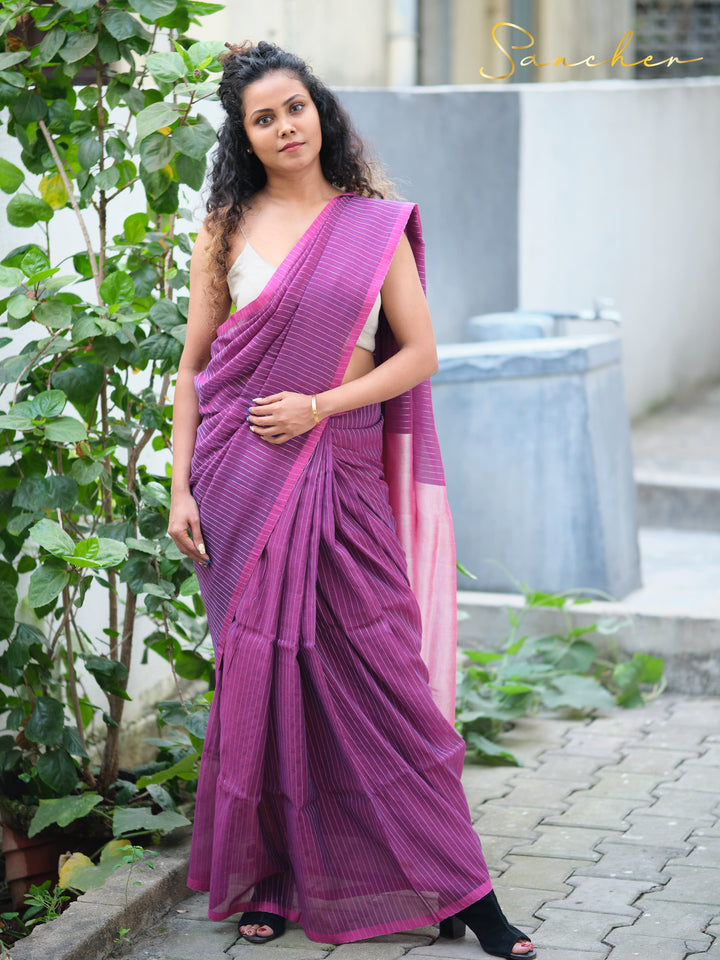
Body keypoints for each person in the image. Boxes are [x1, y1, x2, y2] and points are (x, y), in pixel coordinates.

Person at [168, 39, 536, 960]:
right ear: (244, 136)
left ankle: (466, 891)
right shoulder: (223, 229)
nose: (284, 126)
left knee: (386, 682)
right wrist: (179, 486)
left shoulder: (371, 224)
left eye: (295, 107)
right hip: (239, 482)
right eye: (263, 117)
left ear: (319, 112)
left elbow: (419, 354)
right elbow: (194, 370)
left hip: (341, 469)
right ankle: (272, 878)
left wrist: (322, 404)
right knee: (266, 682)